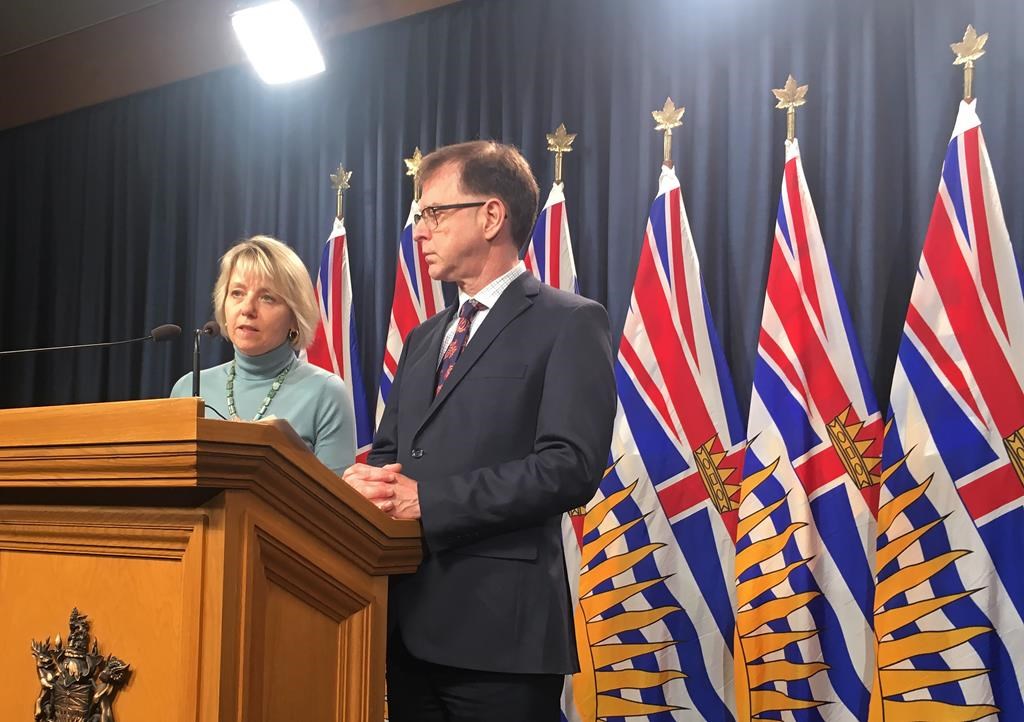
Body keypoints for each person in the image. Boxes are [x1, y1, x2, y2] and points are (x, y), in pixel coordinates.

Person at [343, 141, 616, 721]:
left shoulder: (569, 322)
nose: (419, 230)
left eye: (433, 214)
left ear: (491, 216)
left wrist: (431, 500)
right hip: (407, 628)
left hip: (502, 638)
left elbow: (569, 466)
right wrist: (367, 483)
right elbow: (393, 453)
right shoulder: (423, 338)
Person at [171, 235, 356, 474]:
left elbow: (335, 504)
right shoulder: (188, 388)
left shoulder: (326, 393)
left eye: (267, 297)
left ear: (294, 317)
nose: (247, 309)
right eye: (237, 293)